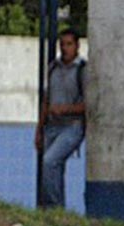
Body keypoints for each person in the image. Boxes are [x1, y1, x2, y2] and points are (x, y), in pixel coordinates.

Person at [35, 28, 87, 208]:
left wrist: (65, 109)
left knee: (50, 161)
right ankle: (58, 211)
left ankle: (54, 208)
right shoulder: (54, 68)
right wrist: (39, 129)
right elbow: (46, 100)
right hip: (52, 126)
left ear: (77, 46)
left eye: (69, 44)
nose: (65, 49)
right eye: (62, 45)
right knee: (52, 168)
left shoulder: (82, 70)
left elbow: (88, 106)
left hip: (72, 126)